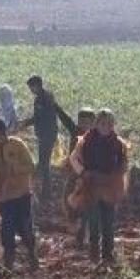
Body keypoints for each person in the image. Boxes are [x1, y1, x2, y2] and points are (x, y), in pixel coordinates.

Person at [68, 109, 129, 264]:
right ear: (97, 124)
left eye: (109, 124)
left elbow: (124, 166)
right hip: (91, 187)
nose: (105, 127)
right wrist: (83, 172)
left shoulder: (118, 144)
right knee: (94, 223)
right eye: (102, 123)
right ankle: (94, 253)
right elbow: (74, 158)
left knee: (108, 223)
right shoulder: (86, 141)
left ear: (112, 125)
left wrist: (115, 176)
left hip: (110, 188)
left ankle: (107, 254)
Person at [0, 117, 38, 271]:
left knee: (25, 226)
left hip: (21, 194)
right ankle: (9, 258)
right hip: (4, 197)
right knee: (7, 227)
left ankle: (32, 253)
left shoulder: (17, 145)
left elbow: (31, 166)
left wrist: (13, 169)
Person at [58, 106, 97, 248]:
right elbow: (65, 120)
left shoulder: (95, 137)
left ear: (93, 122)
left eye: (86, 122)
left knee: (87, 204)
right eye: (81, 121)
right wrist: (56, 106)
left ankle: (83, 234)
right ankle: (75, 226)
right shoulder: (75, 132)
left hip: (88, 176)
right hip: (73, 173)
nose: (83, 125)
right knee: (67, 198)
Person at [20, 75, 59, 201]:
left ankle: (45, 192)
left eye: (31, 87)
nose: (31, 90)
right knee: (43, 162)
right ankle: (43, 190)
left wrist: (25, 123)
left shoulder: (42, 99)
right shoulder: (47, 96)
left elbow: (40, 117)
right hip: (48, 133)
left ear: (36, 85)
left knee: (44, 163)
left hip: (46, 134)